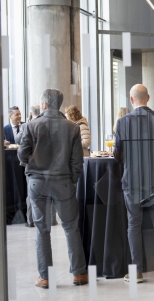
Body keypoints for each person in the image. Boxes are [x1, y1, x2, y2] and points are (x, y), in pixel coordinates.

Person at [18, 89, 87, 288]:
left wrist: (31, 165)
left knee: (42, 229)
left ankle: (46, 277)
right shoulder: (72, 128)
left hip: (37, 183)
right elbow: (77, 161)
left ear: (45, 105)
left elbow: (22, 155)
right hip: (64, 182)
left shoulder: (31, 126)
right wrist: (73, 179)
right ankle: (79, 274)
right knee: (71, 227)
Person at [114, 84, 154, 283]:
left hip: (132, 181)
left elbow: (117, 154)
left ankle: (137, 271)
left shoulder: (122, 122)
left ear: (131, 100)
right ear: (147, 97)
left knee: (134, 225)